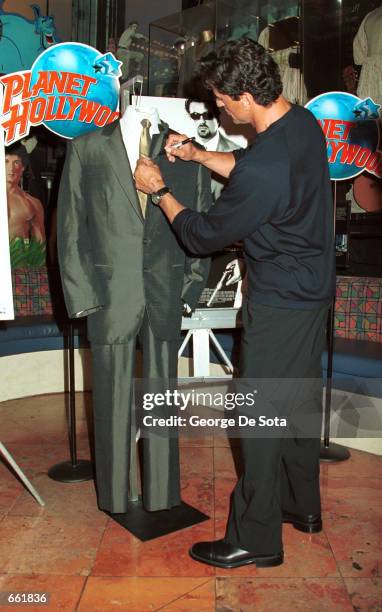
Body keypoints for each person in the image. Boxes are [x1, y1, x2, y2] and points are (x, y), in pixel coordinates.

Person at [134, 38, 335, 569]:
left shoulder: (264, 166)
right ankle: (302, 505)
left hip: (281, 301)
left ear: (246, 95)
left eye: (223, 98)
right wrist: (200, 155)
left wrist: (159, 191)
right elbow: (252, 169)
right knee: (295, 402)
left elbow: (201, 235)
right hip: (313, 290)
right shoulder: (301, 125)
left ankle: (257, 538)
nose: (218, 106)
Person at [185, 98, 239, 200]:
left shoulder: (236, 153)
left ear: (217, 119)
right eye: (195, 116)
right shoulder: (183, 149)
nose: (202, 121)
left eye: (207, 116)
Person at [5, 146, 45, 243]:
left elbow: (39, 247)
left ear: (23, 167)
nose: (11, 168)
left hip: (18, 257)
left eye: (16, 162)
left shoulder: (32, 203)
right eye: (6, 161)